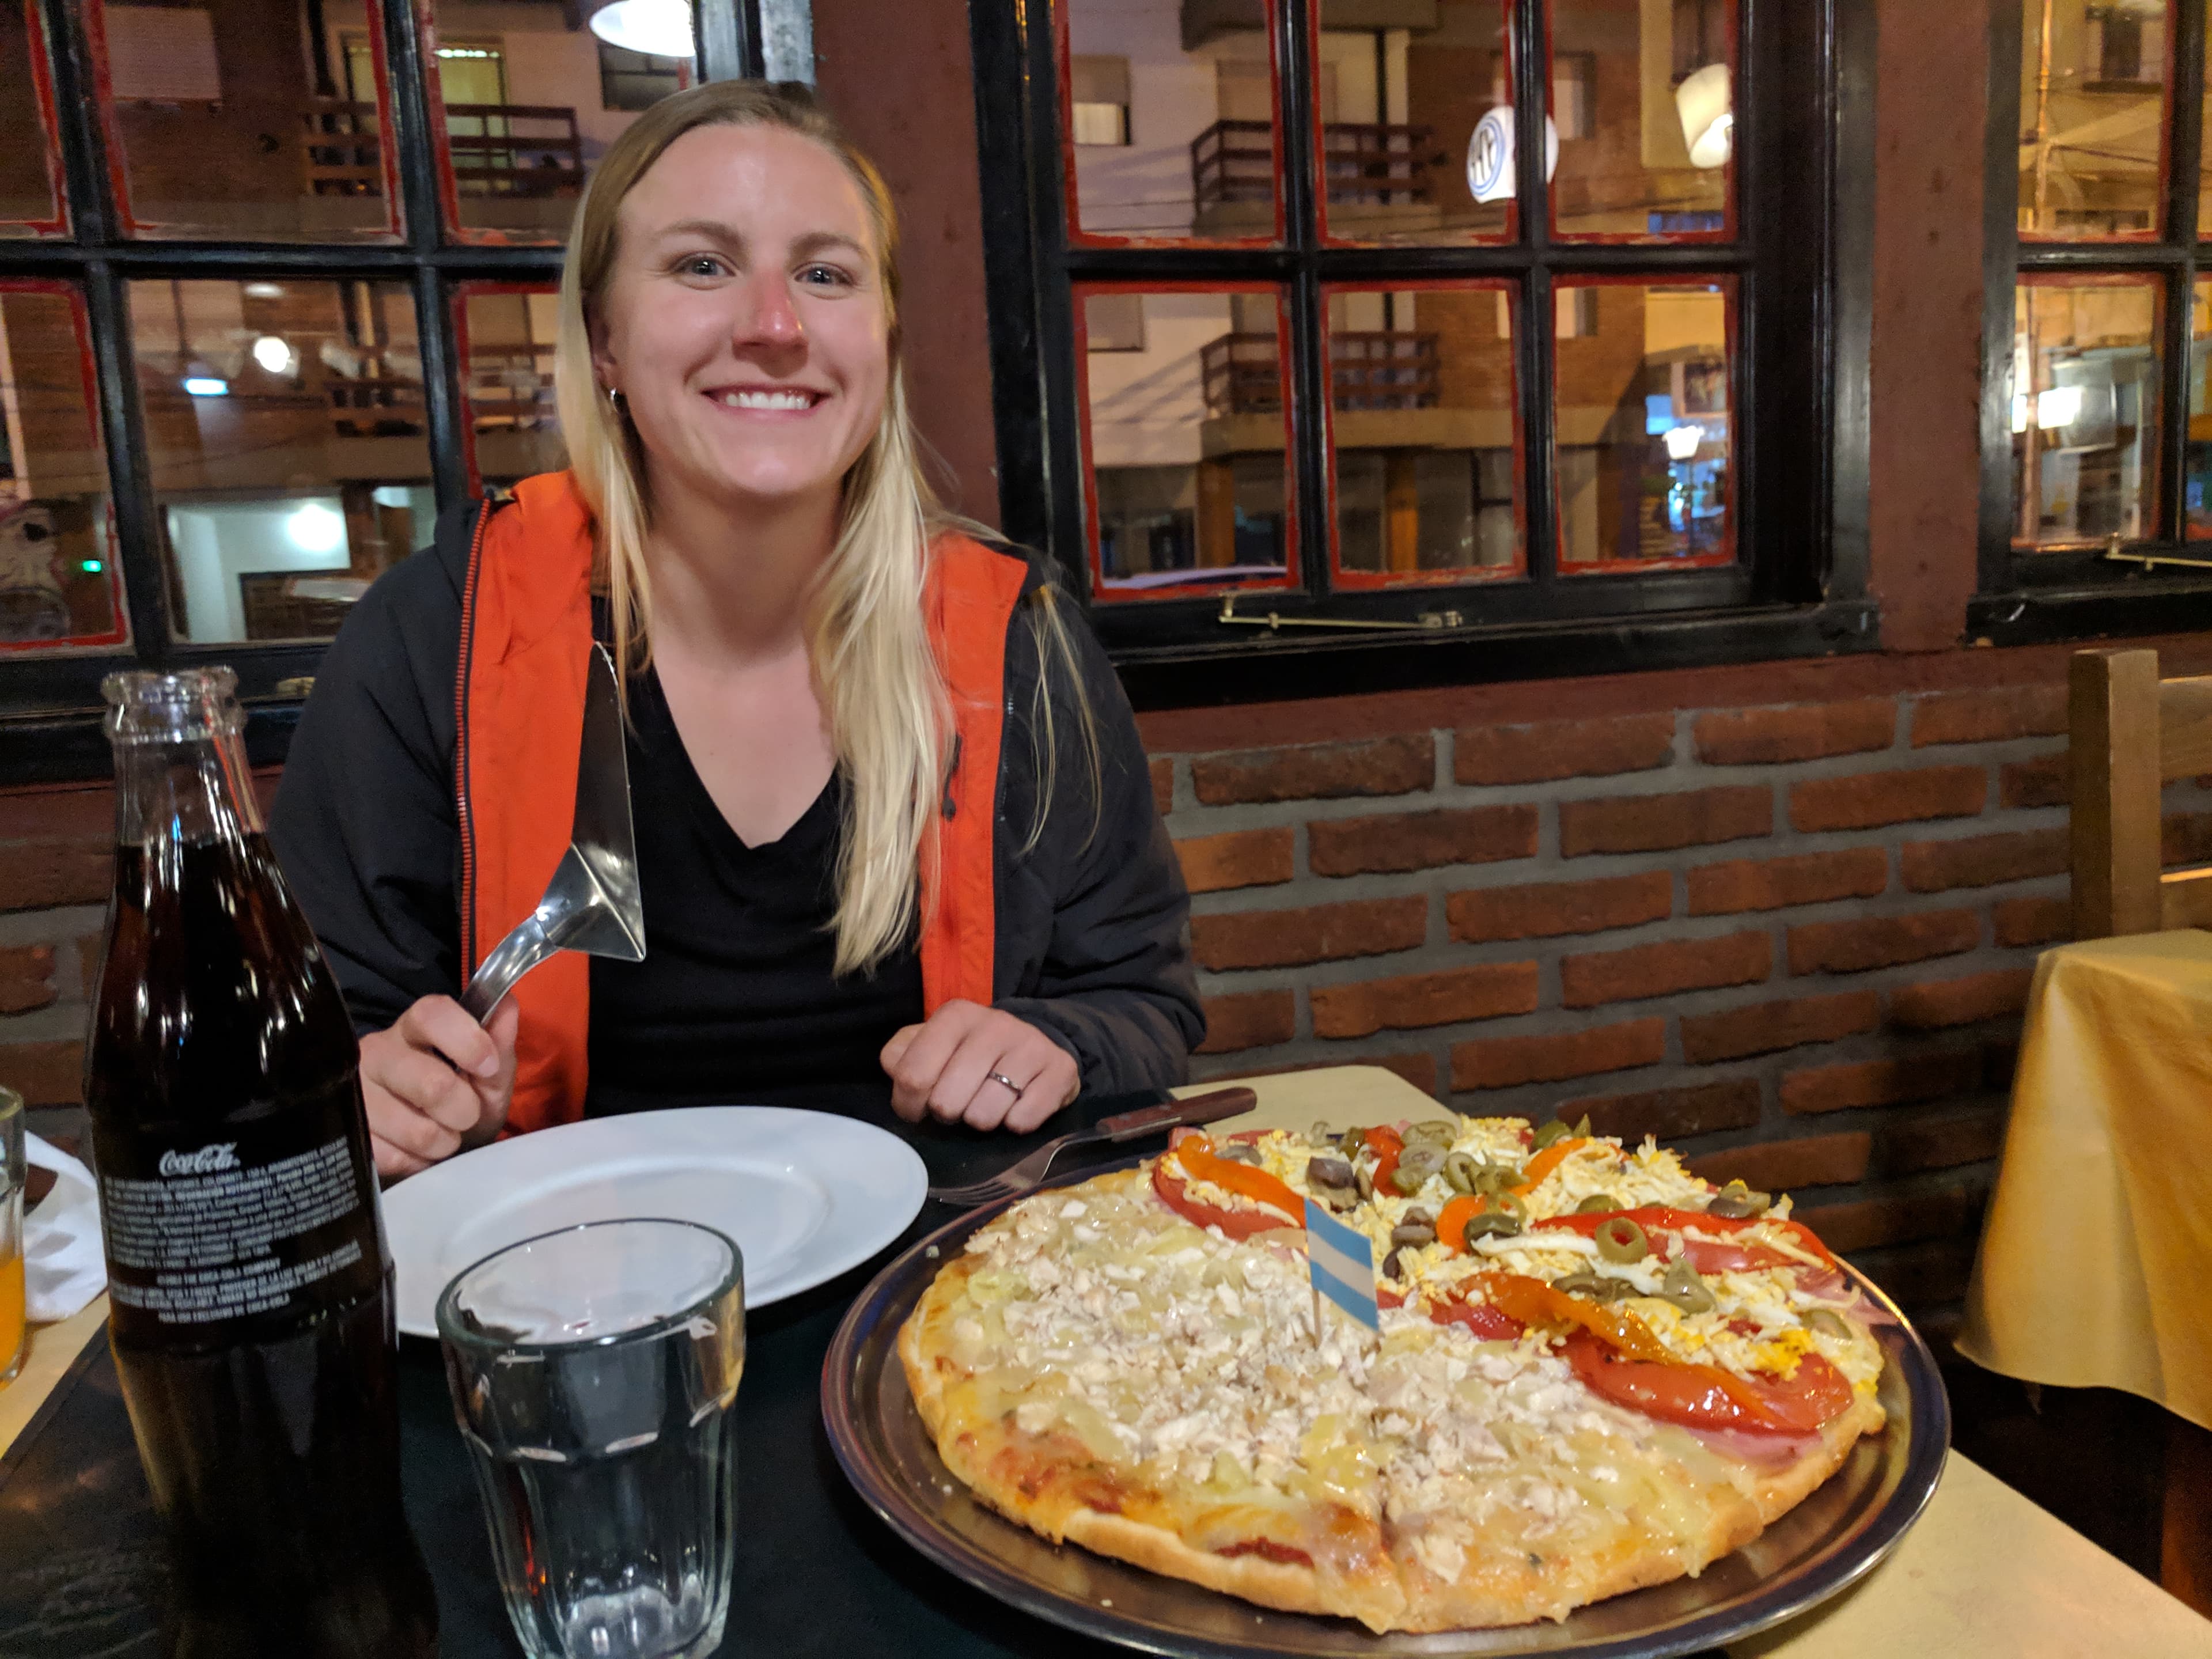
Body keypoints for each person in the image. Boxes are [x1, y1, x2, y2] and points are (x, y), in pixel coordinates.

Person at [269, 81, 1202, 1180]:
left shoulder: (1017, 635)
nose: (774, 325)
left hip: (953, 1299)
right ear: (604, 337)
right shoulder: (438, 637)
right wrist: (374, 1093)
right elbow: (300, 1055)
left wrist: (1058, 1045)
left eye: (825, 273)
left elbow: (1144, 1001)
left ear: (885, 339)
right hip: (568, 1294)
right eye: (702, 266)